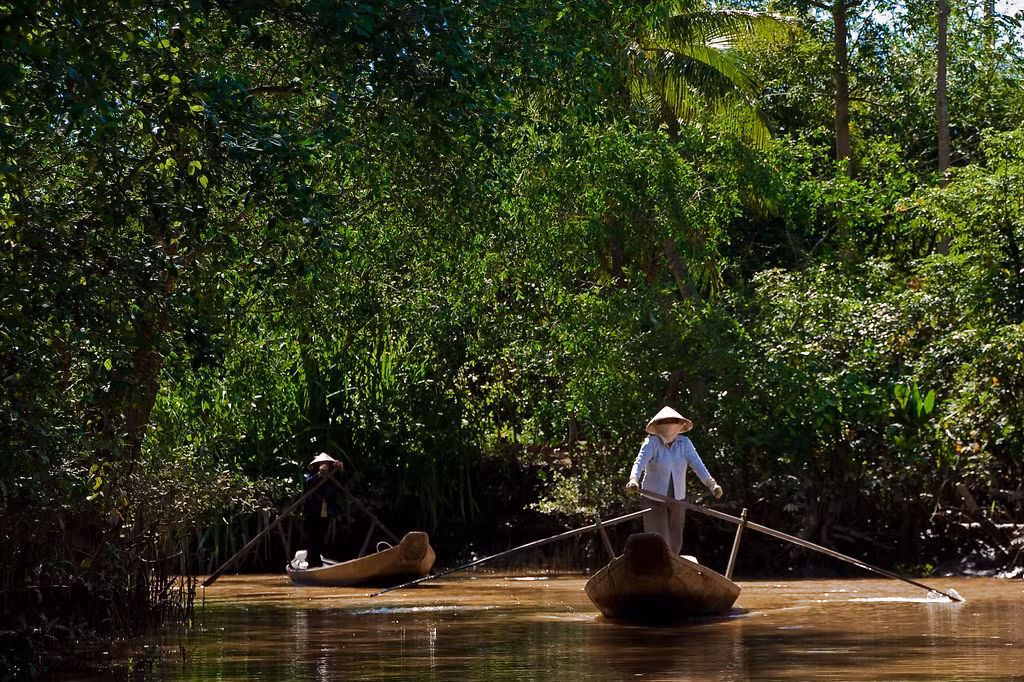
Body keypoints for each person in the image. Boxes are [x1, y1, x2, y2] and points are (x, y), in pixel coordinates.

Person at [625, 406, 722, 555]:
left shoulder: (685, 443)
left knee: (676, 539)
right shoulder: (651, 443)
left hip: (677, 499)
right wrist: (634, 480)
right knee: (659, 537)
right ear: (657, 425)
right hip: (654, 498)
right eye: (665, 421)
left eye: (672, 421)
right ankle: (659, 566)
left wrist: (712, 484)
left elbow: (697, 464)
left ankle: (673, 566)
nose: (669, 424)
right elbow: (639, 462)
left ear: (679, 424)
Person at [301, 452, 344, 569]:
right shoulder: (312, 475)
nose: (324, 465)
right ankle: (312, 563)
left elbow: (342, 483)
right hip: (312, 512)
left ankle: (318, 562)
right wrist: (320, 474)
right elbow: (309, 483)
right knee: (312, 538)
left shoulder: (332, 477)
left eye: (326, 464)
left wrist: (340, 470)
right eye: (322, 463)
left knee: (321, 537)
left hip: (325, 513)